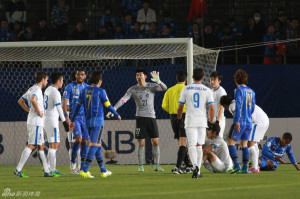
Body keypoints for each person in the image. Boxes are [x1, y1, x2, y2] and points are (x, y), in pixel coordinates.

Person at [106, 68, 167, 172]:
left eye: (140, 75)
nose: (138, 77)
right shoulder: (132, 89)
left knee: (155, 142)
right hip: (140, 118)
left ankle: (156, 165)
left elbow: (165, 88)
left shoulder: (151, 86)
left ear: (145, 76)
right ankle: (141, 166)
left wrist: (159, 81)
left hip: (151, 117)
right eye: (137, 75)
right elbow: (123, 100)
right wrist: (114, 109)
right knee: (141, 143)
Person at [70, 71, 121, 178]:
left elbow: (77, 107)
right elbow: (108, 105)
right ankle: (84, 169)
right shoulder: (101, 91)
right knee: (94, 145)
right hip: (97, 122)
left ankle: (103, 170)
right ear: (99, 81)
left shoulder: (83, 91)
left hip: (87, 122)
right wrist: (117, 114)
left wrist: (72, 120)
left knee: (97, 145)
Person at [14, 71, 56, 177]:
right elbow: (33, 99)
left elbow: (20, 101)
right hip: (36, 122)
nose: (47, 81)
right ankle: (18, 169)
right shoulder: (37, 89)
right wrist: (38, 111)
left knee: (40, 146)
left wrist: (30, 111)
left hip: (33, 121)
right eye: (46, 79)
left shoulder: (31, 88)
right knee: (32, 145)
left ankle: (47, 171)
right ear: (43, 79)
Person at [178, 68, 215, 178]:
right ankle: (198, 170)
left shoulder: (186, 89)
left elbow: (180, 106)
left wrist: (179, 118)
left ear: (192, 77)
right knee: (199, 145)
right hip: (202, 120)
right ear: (203, 78)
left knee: (192, 145)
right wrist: (211, 119)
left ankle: (195, 166)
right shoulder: (207, 90)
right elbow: (212, 108)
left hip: (190, 120)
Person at [220, 95, 269, 173]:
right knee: (252, 142)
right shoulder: (237, 102)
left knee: (250, 144)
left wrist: (237, 125)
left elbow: (238, 113)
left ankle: (255, 167)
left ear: (224, 105)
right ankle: (255, 165)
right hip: (262, 119)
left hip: (257, 121)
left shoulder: (232, 106)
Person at [162, 71, 191, 174]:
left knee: (181, 143)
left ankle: (188, 166)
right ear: (186, 79)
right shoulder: (187, 89)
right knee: (184, 143)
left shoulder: (169, 90)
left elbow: (164, 106)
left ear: (176, 79)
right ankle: (178, 167)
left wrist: (172, 110)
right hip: (184, 116)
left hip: (173, 117)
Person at [227, 69, 255, 174]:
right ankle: (245, 168)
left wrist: (237, 121)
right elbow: (252, 108)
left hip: (241, 121)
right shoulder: (252, 91)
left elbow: (238, 106)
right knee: (244, 144)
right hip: (249, 121)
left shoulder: (238, 90)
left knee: (231, 143)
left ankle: (237, 166)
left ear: (235, 79)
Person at [62, 69, 89, 173]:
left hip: (85, 119)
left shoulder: (87, 88)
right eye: (78, 75)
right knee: (78, 139)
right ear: (76, 75)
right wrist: (67, 118)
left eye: (82, 75)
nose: (80, 76)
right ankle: (73, 161)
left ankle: (82, 167)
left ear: (85, 76)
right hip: (75, 118)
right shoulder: (70, 87)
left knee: (85, 141)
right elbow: (64, 104)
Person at [43, 72, 69, 176]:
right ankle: (52, 169)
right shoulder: (55, 92)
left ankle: (48, 167)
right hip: (51, 121)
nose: (62, 82)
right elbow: (59, 108)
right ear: (58, 81)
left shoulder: (48, 89)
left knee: (55, 144)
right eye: (62, 80)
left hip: (47, 120)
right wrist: (65, 122)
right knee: (53, 145)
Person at [209, 71, 227, 138]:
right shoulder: (210, 91)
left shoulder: (221, 92)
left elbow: (221, 108)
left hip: (219, 119)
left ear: (219, 81)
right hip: (212, 118)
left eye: (214, 80)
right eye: (211, 79)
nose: (212, 82)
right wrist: (209, 119)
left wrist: (217, 121)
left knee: (218, 139)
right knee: (211, 139)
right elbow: (210, 107)